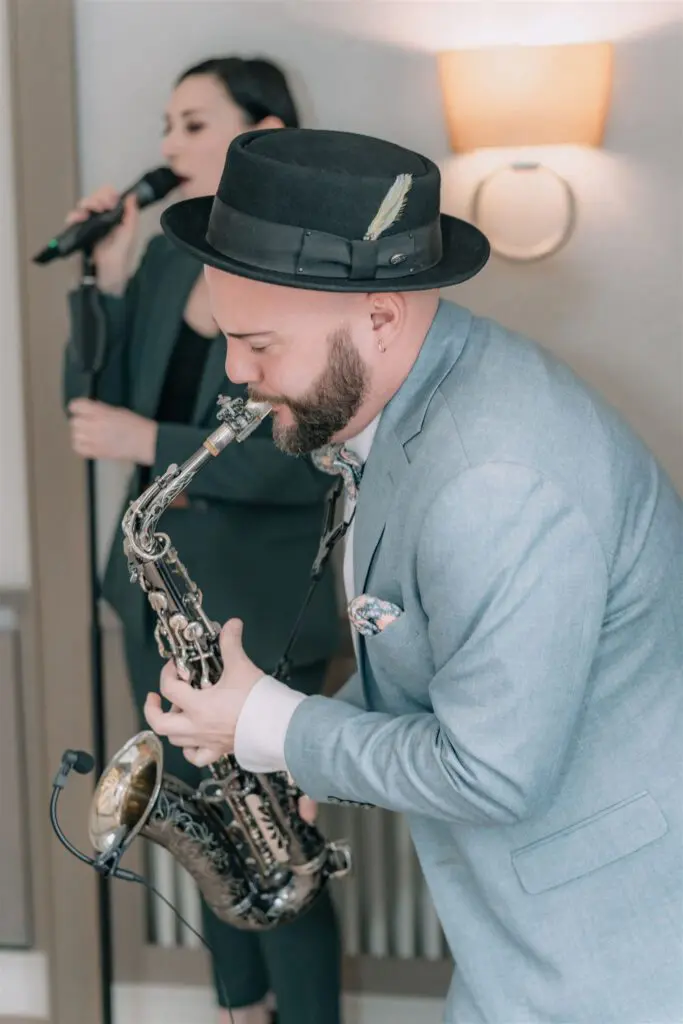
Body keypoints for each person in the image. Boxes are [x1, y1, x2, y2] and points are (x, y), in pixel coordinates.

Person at [145, 126, 683, 1024]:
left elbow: (493, 774)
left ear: (380, 319)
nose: (237, 376)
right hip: (525, 939)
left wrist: (278, 727)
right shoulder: (419, 395)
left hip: (610, 956)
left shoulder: (493, 478)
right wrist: (285, 737)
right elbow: (445, 649)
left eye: (261, 345)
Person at [62, 62, 343, 1024]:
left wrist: (152, 447)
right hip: (162, 605)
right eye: (166, 124)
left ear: (257, 135)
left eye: (192, 124)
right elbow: (94, 403)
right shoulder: (172, 259)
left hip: (260, 614)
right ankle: (239, 1010)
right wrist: (104, 274)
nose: (167, 146)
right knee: (201, 837)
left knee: (278, 855)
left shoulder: (312, 266)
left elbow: (301, 456)